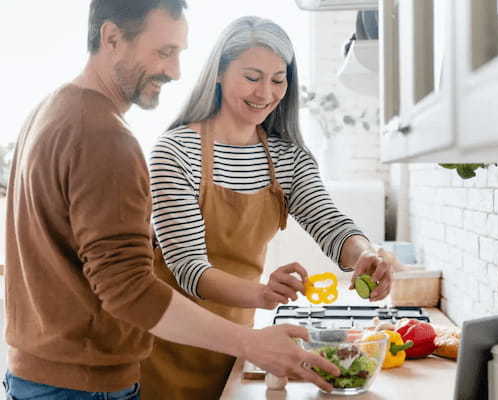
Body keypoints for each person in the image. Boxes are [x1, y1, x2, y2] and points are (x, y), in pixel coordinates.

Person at [3, 1, 340, 399]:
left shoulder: (52, 111)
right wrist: (253, 343)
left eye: (178, 53)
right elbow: (129, 288)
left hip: (40, 373)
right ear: (111, 38)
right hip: (85, 384)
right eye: (163, 52)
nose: (175, 71)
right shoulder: (106, 138)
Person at [141, 15, 400, 399]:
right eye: (251, 76)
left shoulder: (287, 158)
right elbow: (188, 269)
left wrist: (366, 254)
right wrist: (262, 293)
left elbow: (329, 223)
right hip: (167, 348)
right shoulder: (175, 151)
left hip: (241, 346)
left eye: (278, 79)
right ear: (218, 73)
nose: (266, 91)